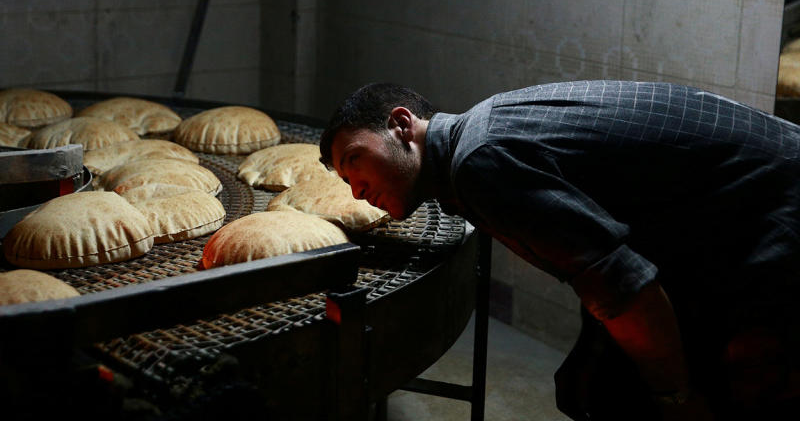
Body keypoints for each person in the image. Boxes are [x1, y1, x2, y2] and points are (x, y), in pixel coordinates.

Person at [318, 80, 800, 421]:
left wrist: (677, 400)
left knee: (745, 385)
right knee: (593, 385)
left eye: (355, 161)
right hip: (732, 206)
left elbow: (626, 290)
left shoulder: (479, 162)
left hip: (774, 203)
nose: (357, 191)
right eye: (345, 180)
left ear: (401, 125)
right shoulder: (482, 131)